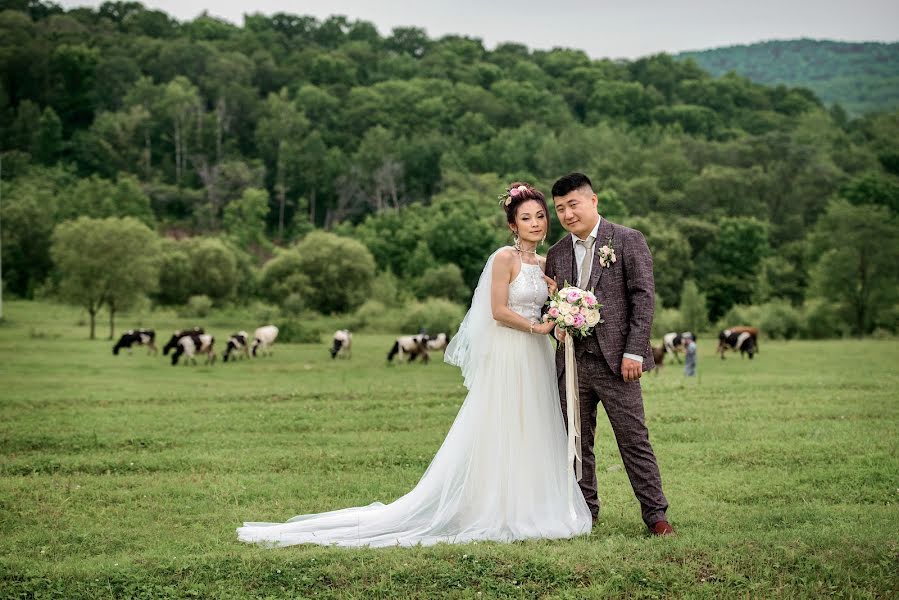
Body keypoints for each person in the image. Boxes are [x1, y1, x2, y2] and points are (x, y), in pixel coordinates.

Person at [237, 182, 592, 547]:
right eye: (525, 218)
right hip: (510, 352)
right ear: (512, 226)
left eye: (539, 216)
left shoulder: (546, 263)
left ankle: (531, 502)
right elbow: (498, 311)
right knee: (503, 423)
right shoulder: (504, 258)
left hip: (536, 355)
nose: (535, 223)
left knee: (533, 422)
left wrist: (560, 320)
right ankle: (494, 505)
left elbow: (548, 307)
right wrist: (537, 326)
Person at [545, 173, 674, 536]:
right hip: (572, 364)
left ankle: (656, 516)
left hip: (619, 364)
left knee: (634, 439)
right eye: (560, 209)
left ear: (593, 201)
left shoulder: (627, 240)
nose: (568, 214)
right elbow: (550, 306)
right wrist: (555, 320)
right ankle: (585, 512)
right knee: (576, 442)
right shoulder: (555, 254)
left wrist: (635, 351)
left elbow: (643, 297)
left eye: (573, 204)